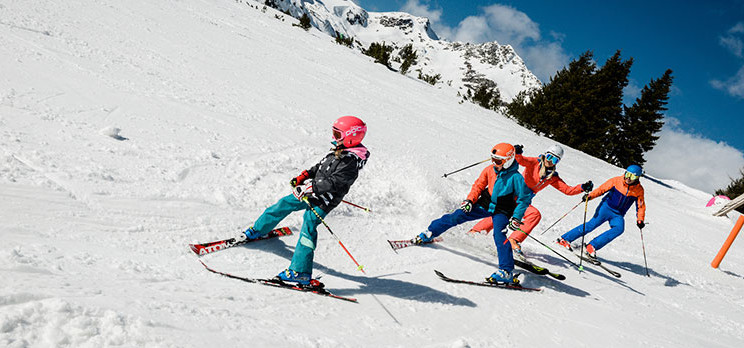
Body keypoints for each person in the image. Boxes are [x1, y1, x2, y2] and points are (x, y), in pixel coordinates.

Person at [237, 116, 369, 287]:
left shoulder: (351, 161)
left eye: (337, 134)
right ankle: (258, 230)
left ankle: (300, 272)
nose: (334, 137)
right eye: (334, 133)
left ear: (351, 136)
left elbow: (334, 183)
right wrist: (305, 176)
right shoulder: (339, 150)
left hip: (324, 200)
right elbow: (321, 166)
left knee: (308, 226)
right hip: (310, 191)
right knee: (283, 204)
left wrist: (310, 188)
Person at [414, 143, 533, 284]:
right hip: (485, 203)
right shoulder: (490, 170)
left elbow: (524, 200)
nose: (494, 163)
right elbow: (479, 185)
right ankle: (430, 233)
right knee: (457, 215)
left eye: (498, 161)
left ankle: (506, 272)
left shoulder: (516, 178)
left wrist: (516, 218)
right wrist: (470, 200)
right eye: (492, 159)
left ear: (508, 161)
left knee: (499, 235)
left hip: (503, 210)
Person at [467, 144, 593, 260]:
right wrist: (517, 153)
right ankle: (476, 231)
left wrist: (582, 187)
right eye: (549, 156)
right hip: (512, 193)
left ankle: (513, 240)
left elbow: (567, 190)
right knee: (503, 211)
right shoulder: (534, 163)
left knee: (534, 214)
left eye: (554, 160)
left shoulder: (552, 177)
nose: (550, 161)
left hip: (523, 201)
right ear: (545, 154)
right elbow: (521, 160)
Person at [556, 164, 646, 260]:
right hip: (606, 208)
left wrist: (640, 219)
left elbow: (640, 206)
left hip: (618, 214)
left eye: (632, 176)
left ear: (637, 178)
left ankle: (591, 246)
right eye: (627, 174)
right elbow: (601, 189)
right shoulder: (616, 181)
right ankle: (565, 239)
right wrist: (590, 196)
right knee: (592, 224)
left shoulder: (639, 190)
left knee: (619, 229)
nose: (628, 178)